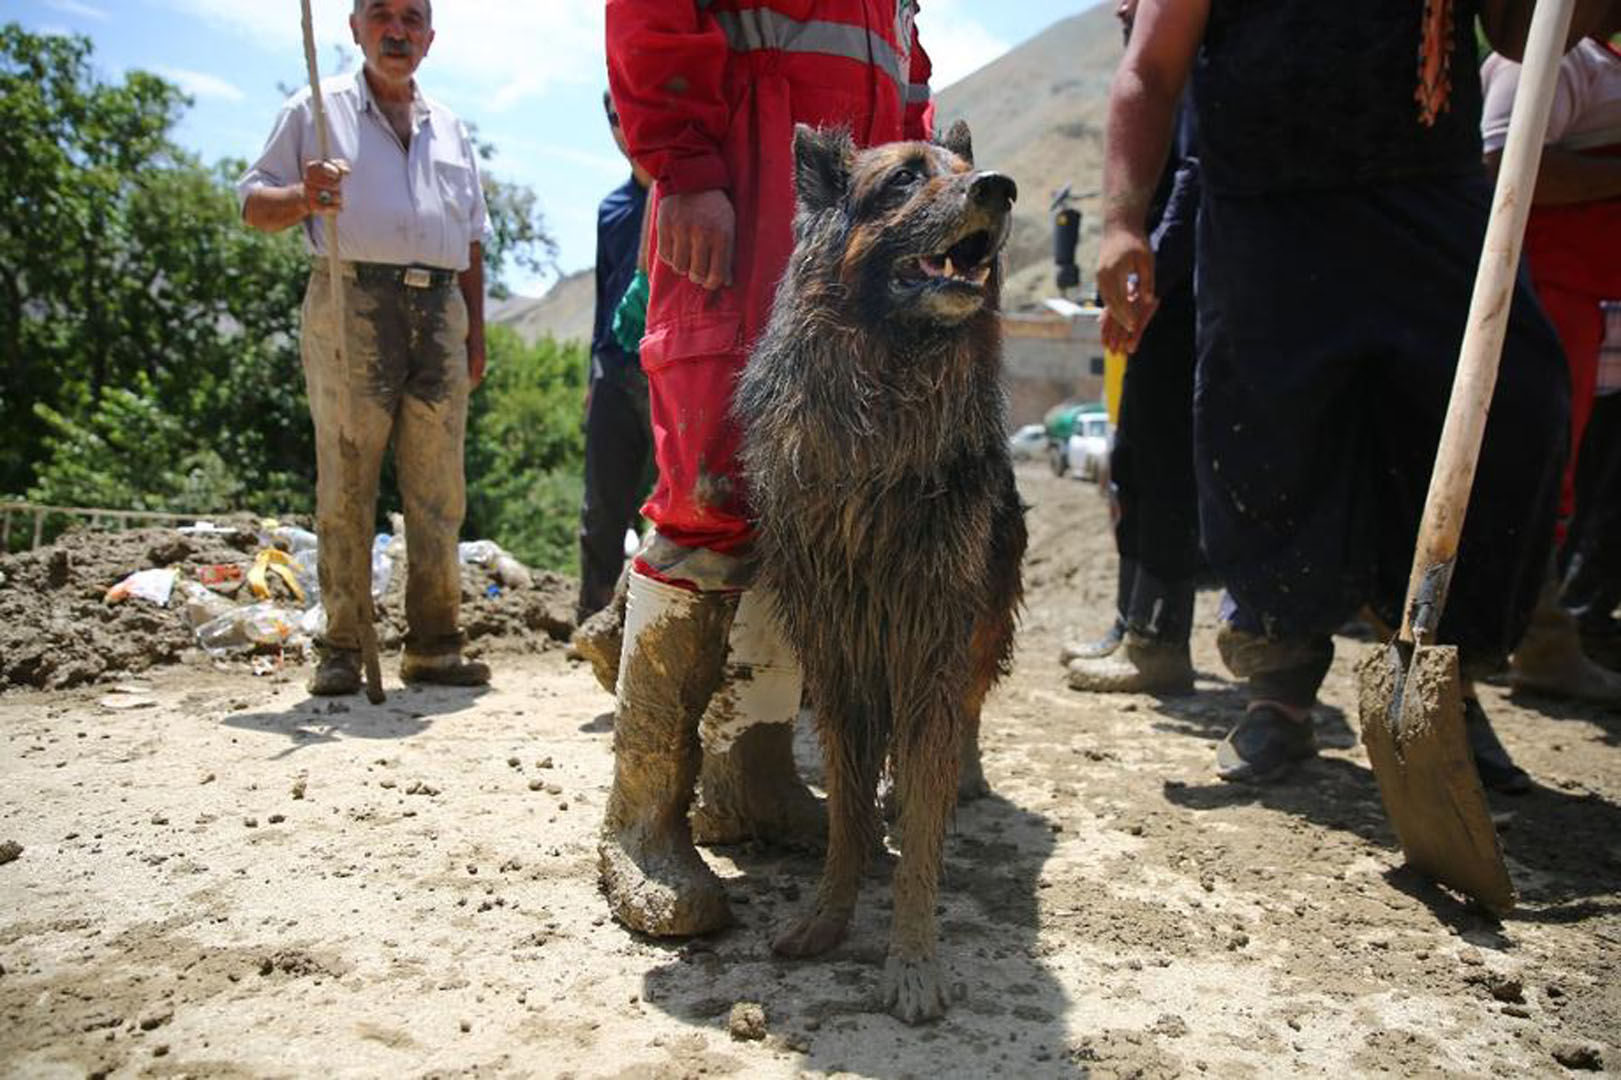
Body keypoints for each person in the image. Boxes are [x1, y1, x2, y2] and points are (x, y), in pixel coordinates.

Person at [1098, 0, 1612, 790]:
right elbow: (1151, 68)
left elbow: (1517, 33)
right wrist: (1120, 221)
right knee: (1266, 438)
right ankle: (1278, 692)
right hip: (1264, 209)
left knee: (1510, 407)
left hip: (1428, 192)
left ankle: (1442, 686)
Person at [600, 0, 934, 937]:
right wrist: (688, 168)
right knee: (709, 501)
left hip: (848, 258)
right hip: (741, 212)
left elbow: (904, 84)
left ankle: (752, 778)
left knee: (810, 511)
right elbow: (652, 17)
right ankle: (641, 822)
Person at [239, 0, 490, 694]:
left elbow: (471, 239)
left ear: (430, 39)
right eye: (381, 14)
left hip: (439, 307)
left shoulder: (451, 127)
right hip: (351, 298)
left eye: (412, 18)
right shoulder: (315, 111)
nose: (397, 30)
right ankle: (342, 645)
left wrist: (475, 331)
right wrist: (303, 194)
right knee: (346, 477)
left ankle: (434, 645)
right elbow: (253, 205)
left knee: (438, 489)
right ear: (355, 29)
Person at [1480, 20, 1621, 704]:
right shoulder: (1552, 61)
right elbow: (1503, 166)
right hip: (1539, 298)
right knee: (1534, 470)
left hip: (1594, 301)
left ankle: (1546, 635)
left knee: (1574, 474)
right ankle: (1535, 641)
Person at [1065, 0, 1203, 697]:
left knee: (1165, 467)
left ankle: (1159, 642)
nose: (1123, 5)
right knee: (1132, 465)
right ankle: (1130, 625)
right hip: (1154, 301)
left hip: (1181, 303)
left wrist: (1148, 287)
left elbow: (1191, 184)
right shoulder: (1153, 85)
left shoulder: (1190, 79)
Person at [575, 93, 654, 629]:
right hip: (612, 363)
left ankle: (648, 624)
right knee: (602, 502)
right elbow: (606, 295)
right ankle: (593, 617)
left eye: (630, 114)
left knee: (662, 501)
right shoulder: (613, 208)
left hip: (665, 367)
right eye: (613, 119)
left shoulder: (683, 196)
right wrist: (592, 373)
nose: (624, 129)